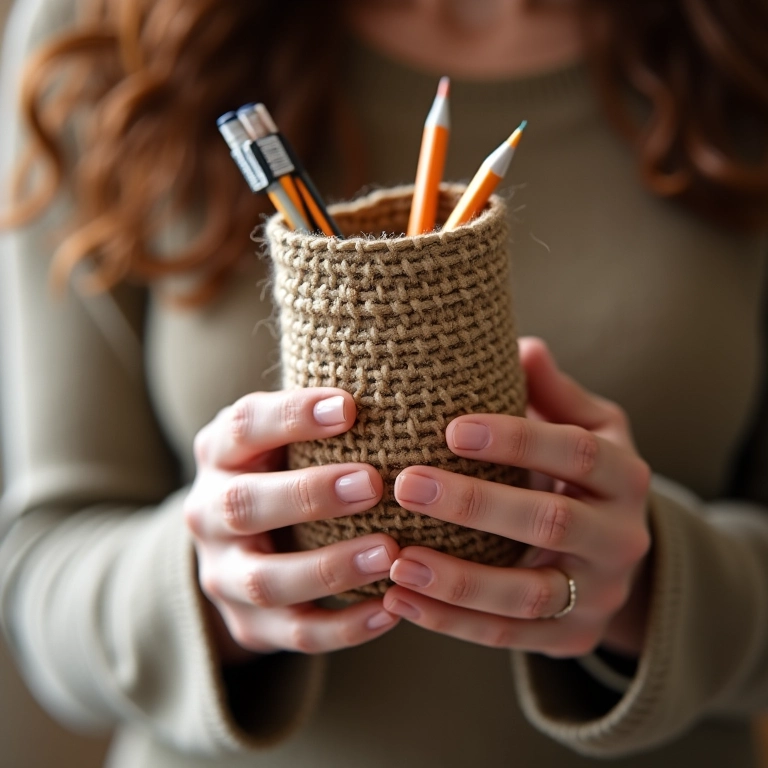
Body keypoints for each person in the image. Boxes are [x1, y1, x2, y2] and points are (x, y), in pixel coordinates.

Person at [1, 0, 768, 766]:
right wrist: (201, 585)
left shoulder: (741, 42)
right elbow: (42, 576)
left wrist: (659, 589)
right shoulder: (106, 29)